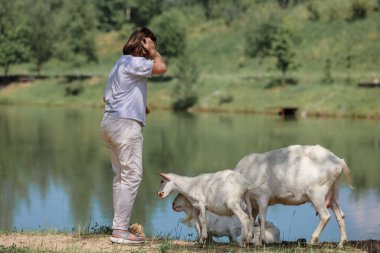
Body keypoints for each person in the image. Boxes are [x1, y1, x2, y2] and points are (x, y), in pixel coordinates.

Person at [100, 27, 167, 244]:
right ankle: (120, 230)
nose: (150, 51)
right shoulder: (133, 61)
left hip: (110, 122)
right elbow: (162, 67)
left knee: (121, 176)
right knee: (133, 175)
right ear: (143, 43)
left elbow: (106, 97)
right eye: (149, 45)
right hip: (125, 127)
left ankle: (119, 226)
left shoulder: (119, 63)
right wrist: (155, 51)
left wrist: (139, 106)